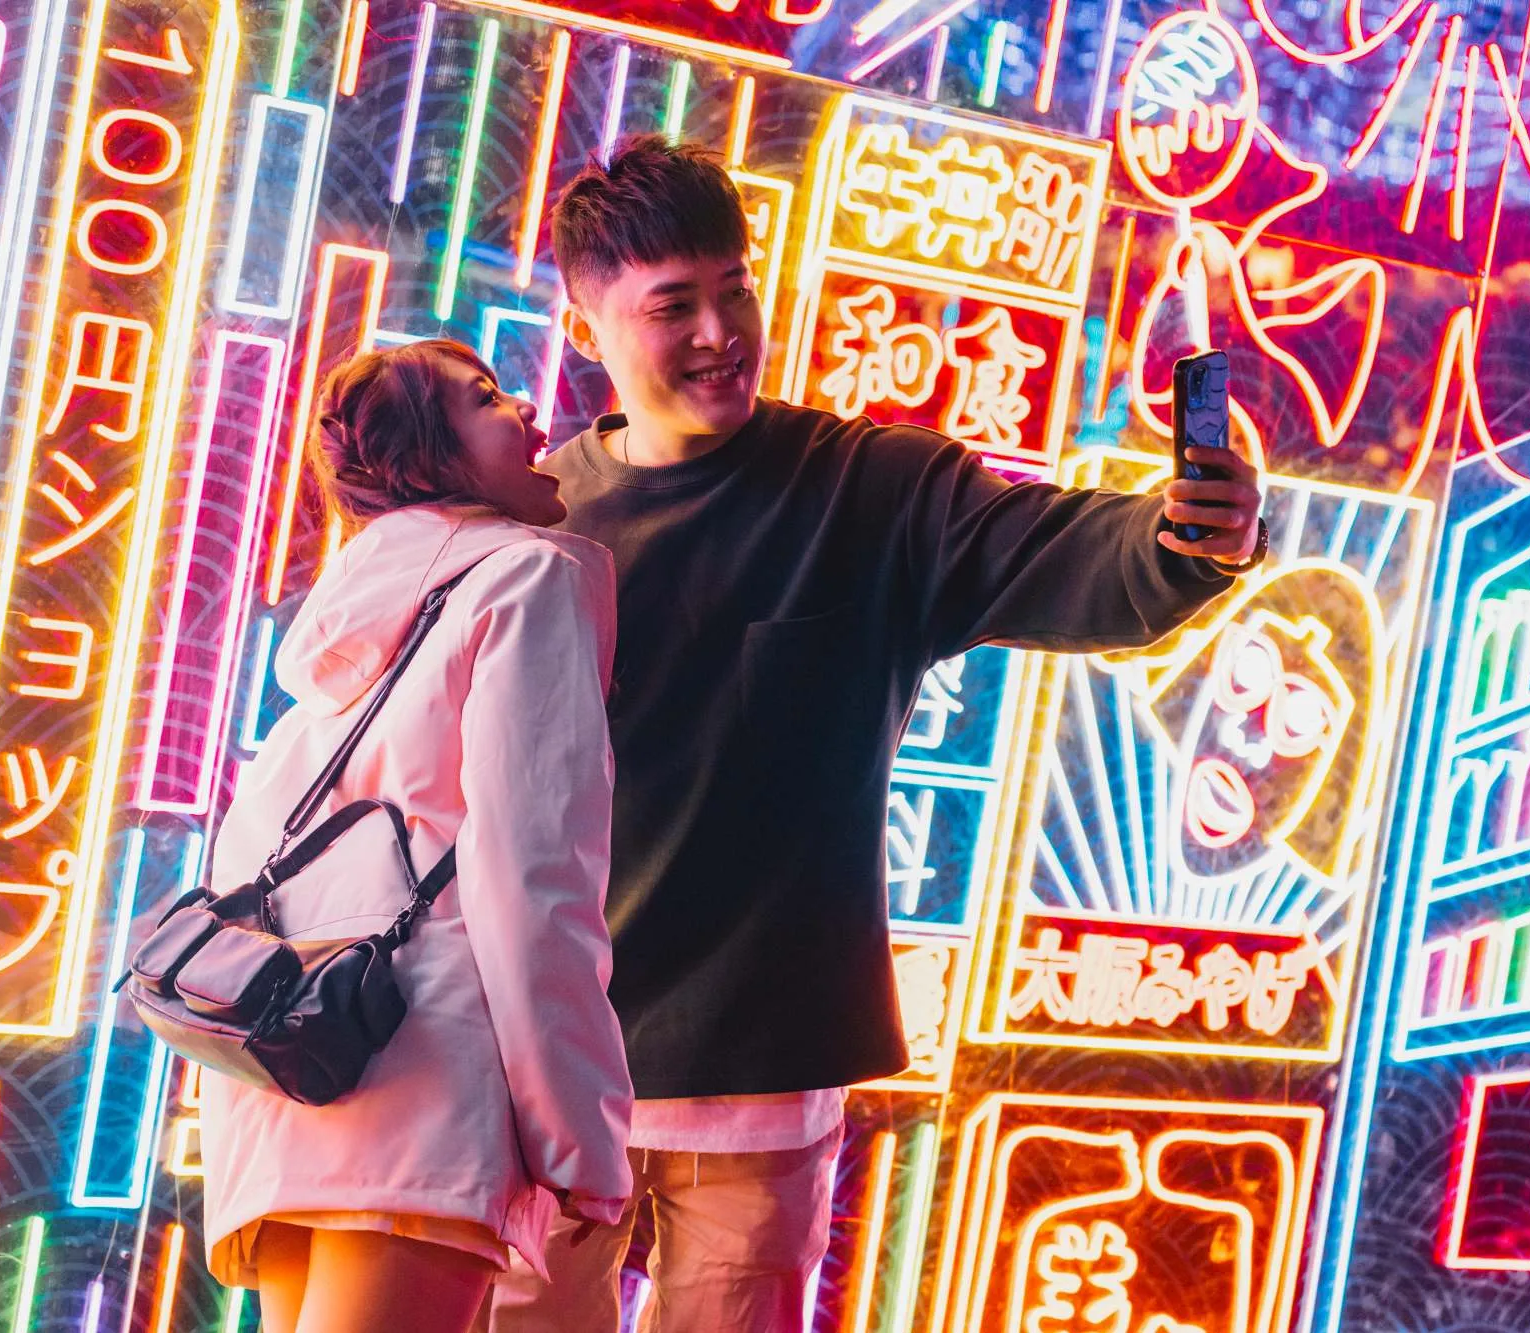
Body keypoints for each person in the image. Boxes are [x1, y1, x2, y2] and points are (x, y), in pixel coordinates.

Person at [487, 138, 1266, 1332]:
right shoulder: (539, 519)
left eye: (732, 290)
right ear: (586, 327)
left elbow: (1069, 553)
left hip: (762, 1072)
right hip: (551, 1067)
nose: (716, 331)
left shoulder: (864, 487)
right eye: (671, 306)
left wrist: (1183, 539)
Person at [198, 339, 634, 1333]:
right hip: (421, 1069)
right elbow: (532, 881)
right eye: (486, 398)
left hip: (291, 1075)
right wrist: (578, 1138)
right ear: (433, 456)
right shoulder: (525, 579)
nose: (528, 409)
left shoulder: (342, 640)